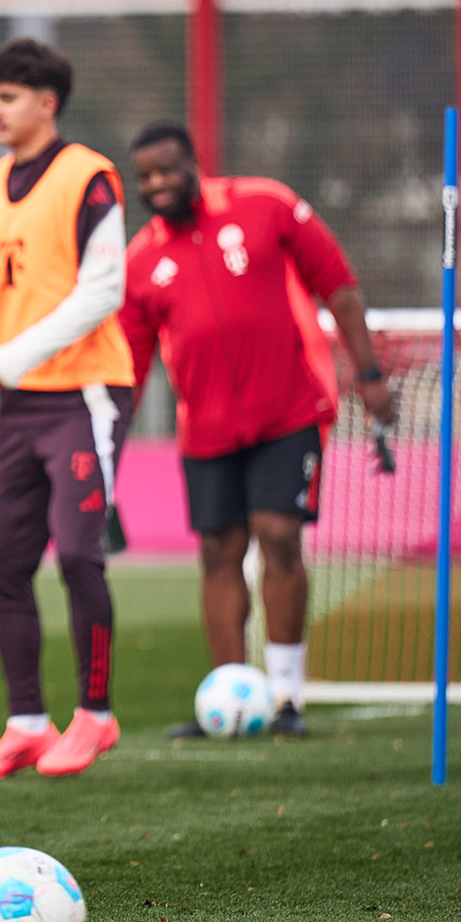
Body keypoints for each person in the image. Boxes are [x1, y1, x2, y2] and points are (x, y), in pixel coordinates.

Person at [119, 123, 397, 739]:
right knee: (218, 551)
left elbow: (339, 286)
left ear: (194, 163)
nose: (157, 184)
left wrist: (370, 373)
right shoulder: (140, 261)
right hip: (206, 428)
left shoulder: (265, 204)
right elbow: (131, 367)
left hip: (289, 409)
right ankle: (229, 694)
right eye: (145, 176)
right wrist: (109, 443)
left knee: (277, 535)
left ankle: (288, 698)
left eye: (167, 169)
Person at [0, 39, 136, 782]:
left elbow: (102, 291)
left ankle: (96, 714)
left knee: (80, 553)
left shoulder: (90, 177)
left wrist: (7, 361)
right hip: (17, 402)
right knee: (2, 561)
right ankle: (27, 722)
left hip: (86, 394)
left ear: (47, 103)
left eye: (10, 97)